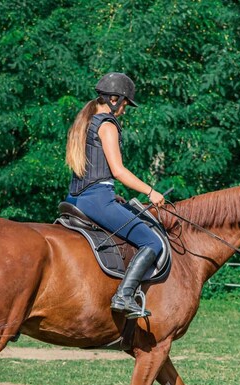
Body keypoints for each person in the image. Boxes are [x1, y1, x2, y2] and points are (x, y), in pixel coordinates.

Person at [65, 72, 165, 319]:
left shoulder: (86, 122)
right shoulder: (107, 124)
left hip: (75, 198)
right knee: (153, 242)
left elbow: (97, 172)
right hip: (97, 200)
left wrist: (112, 194)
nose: (124, 110)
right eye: (125, 104)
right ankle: (124, 296)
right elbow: (118, 170)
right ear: (113, 99)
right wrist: (150, 191)